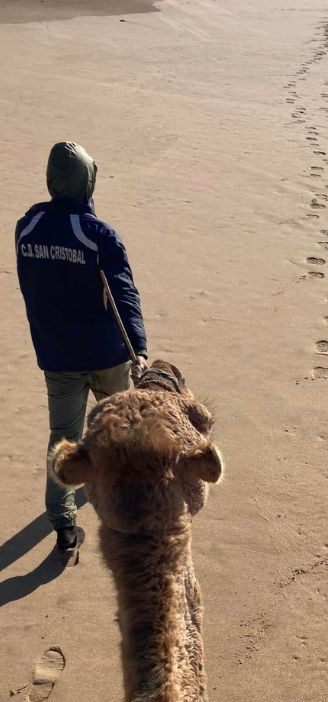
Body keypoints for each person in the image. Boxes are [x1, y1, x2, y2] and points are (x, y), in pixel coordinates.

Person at [15, 141, 148, 559]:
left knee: (64, 438)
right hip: (106, 356)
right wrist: (139, 349)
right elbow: (123, 292)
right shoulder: (97, 234)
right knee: (120, 430)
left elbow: (33, 288)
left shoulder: (28, 227)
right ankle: (124, 502)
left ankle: (63, 523)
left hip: (57, 357)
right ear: (88, 182)